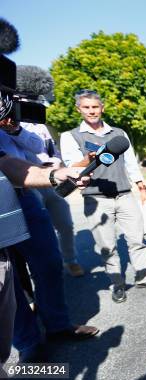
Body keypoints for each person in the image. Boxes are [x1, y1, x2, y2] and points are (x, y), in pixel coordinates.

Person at [0, 114, 99, 363]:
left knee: (49, 262)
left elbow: (7, 163)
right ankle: (27, 342)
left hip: (22, 195)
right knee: (6, 280)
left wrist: (55, 175)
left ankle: (58, 325)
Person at [60, 90, 146, 304]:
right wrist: (88, 159)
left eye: (95, 107)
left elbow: (130, 163)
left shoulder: (118, 133)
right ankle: (117, 283)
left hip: (124, 194)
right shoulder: (70, 136)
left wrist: (142, 188)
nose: (91, 111)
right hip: (96, 199)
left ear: (102, 108)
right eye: (86, 107)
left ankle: (144, 277)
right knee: (108, 245)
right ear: (79, 109)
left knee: (137, 240)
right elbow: (71, 168)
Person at [22, 122, 84, 277]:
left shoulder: (40, 127)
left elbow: (54, 152)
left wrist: (55, 162)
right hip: (26, 183)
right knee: (37, 229)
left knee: (66, 224)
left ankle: (71, 260)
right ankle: (40, 269)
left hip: (50, 180)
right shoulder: (6, 124)